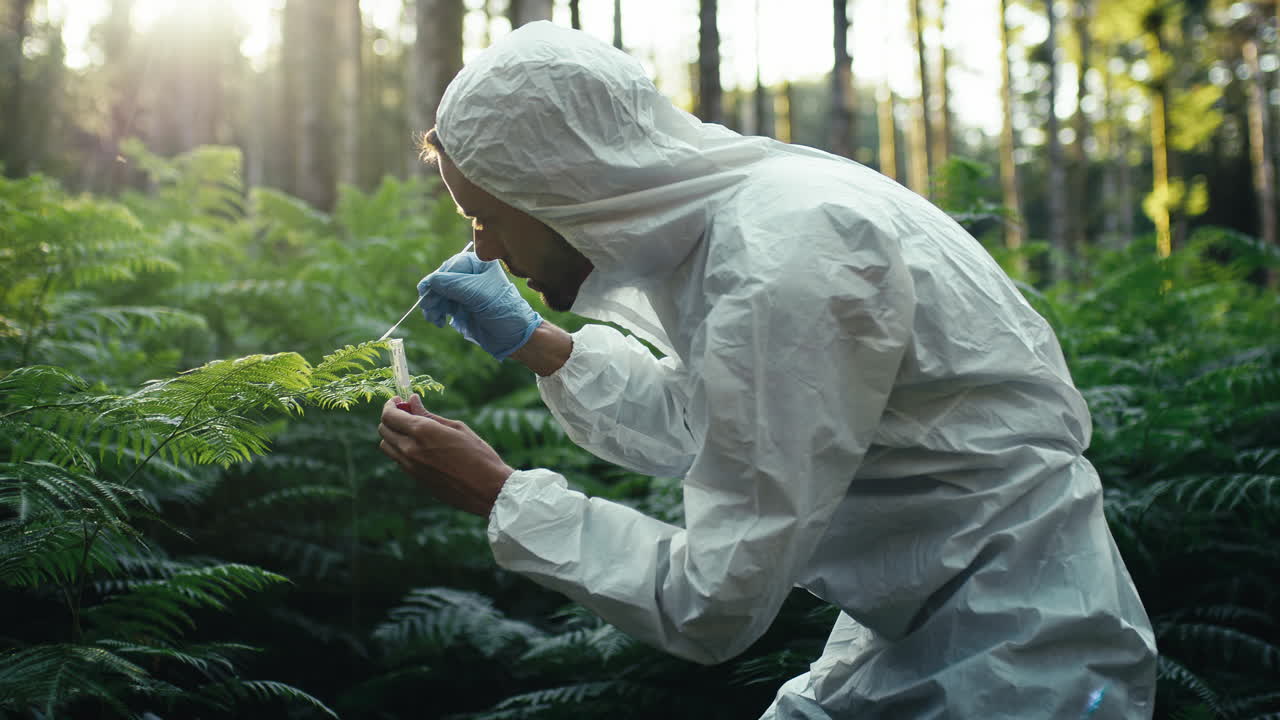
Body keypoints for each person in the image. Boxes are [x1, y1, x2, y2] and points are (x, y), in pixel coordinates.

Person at [376, 21, 1157, 719]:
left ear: (567, 189)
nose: (482, 250)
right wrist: (538, 344)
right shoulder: (750, 223)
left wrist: (504, 497)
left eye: (488, 219)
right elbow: (720, 425)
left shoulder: (786, 258)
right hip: (925, 632)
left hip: (1016, 668)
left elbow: (713, 603)